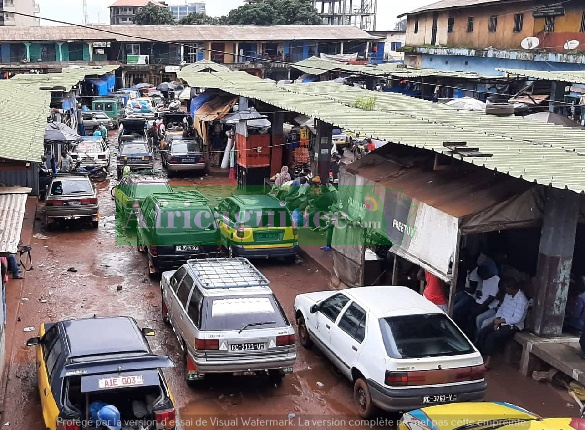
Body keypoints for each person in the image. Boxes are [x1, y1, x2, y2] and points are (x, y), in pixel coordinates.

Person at [475, 279, 529, 368]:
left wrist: (500, 322)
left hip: (513, 326)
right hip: (501, 321)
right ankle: (479, 354)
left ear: (513, 289)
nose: (506, 291)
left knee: (492, 337)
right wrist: (497, 320)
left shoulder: (522, 300)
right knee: (484, 331)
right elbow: (501, 308)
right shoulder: (508, 295)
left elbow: (516, 319)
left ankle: (488, 362)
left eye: (507, 289)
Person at [454, 265, 500, 339]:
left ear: (486, 273)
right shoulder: (485, 279)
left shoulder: (496, 280)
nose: (482, 278)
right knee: (462, 311)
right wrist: (478, 291)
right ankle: (461, 332)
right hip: (479, 301)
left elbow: (491, 298)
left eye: (482, 276)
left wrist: (480, 308)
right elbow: (481, 289)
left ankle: (472, 337)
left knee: (471, 316)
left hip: (487, 305)